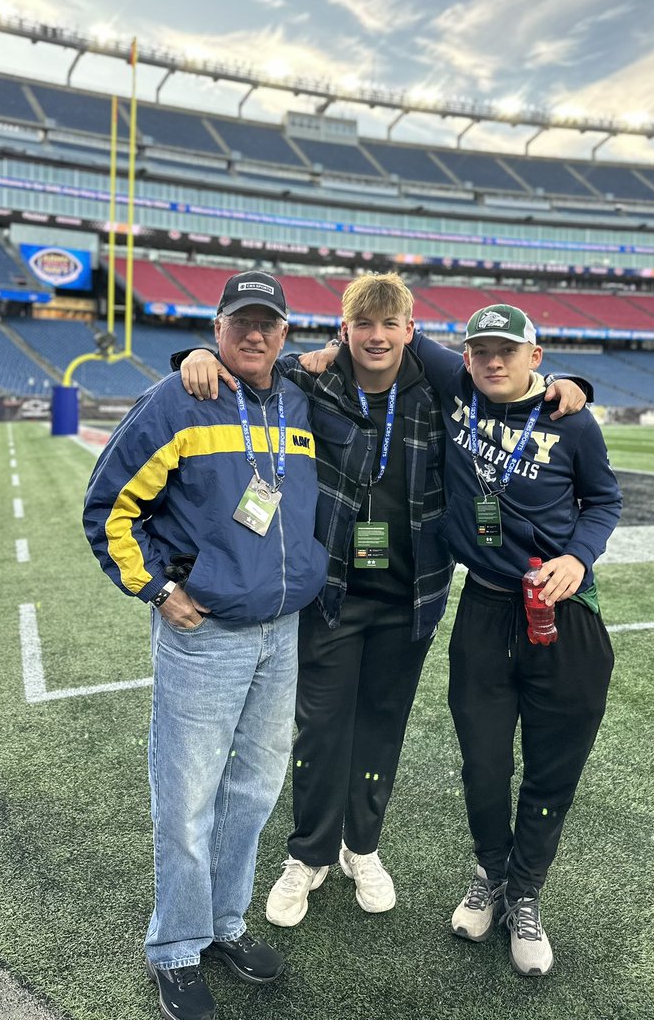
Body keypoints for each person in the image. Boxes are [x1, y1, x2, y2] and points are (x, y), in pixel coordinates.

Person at [177, 275, 589, 935]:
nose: (375, 336)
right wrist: (194, 357)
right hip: (332, 592)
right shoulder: (311, 380)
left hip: (412, 595)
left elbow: (507, 380)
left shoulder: (441, 388)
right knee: (318, 727)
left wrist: (572, 385)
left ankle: (360, 847)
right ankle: (307, 854)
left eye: (388, 325)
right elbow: (247, 364)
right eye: (362, 325)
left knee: (382, 726)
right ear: (344, 331)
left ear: (409, 330)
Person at [83, 271, 328, 1020]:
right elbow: (108, 511)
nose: (255, 335)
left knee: (251, 795)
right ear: (217, 328)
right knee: (187, 799)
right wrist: (158, 590)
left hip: (281, 632)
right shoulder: (180, 399)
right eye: (240, 323)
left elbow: (378, 345)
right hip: (207, 635)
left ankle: (223, 925)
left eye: (270, 325)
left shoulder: (298, 395)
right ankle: (176, 948)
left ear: (285, 334)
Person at [410, 304, 622, 978]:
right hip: (485, 608)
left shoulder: (573, 420)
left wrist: (580, 558)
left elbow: (605, 500)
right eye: (480, 351)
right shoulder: (457, 388)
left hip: (563, 613)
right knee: (483, 762)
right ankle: (491, 873)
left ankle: (525, 892)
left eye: (507, 350)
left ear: (536, 355)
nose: (492, 362)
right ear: (466, 357)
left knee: (553, 766)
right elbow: (385, 329)